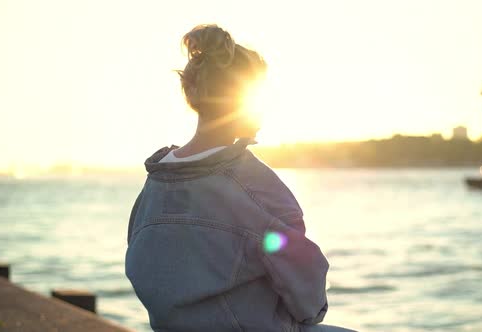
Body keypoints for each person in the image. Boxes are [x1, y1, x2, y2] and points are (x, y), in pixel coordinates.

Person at [125, 24, 356, 332]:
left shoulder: (154, 186)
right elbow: (305, 279)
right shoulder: (253, 185)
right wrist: (306, 316)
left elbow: (142, 265)